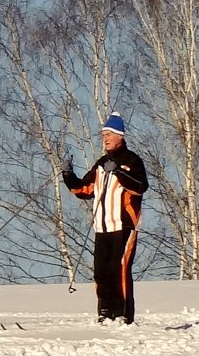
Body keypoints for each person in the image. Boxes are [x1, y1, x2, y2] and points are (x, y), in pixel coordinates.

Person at [62, 112, 149, 324]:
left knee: (118, 270)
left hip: (124, 225)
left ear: (120, 136)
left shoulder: (132, 161)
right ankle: (105, 312)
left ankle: (122, 315)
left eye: (110, 134)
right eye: (103, 135)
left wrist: (118, 170)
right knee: (101, 272)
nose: (106, 138)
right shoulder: (101, 163)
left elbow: (140, 187)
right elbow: (84, 190)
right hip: (102, 227)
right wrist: (68, 175)